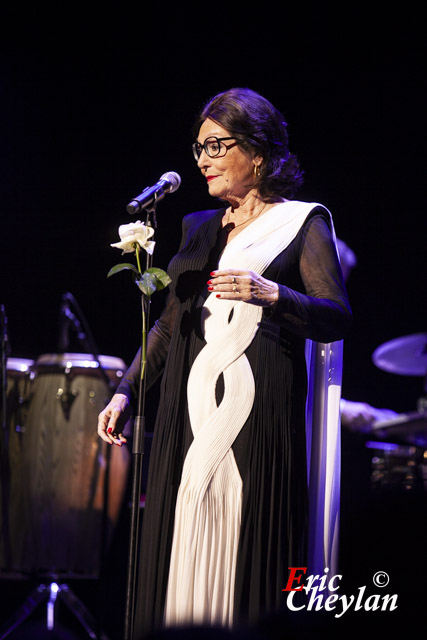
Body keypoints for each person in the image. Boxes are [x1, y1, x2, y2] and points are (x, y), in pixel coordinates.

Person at [97, 88, 352, 635]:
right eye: (198, 148)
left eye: (217, 145)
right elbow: (168, 324)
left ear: (257, 153)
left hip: (258, 412)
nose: (204, 159)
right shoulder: (196, 229)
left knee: (245, 535)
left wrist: (273, 294)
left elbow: (335, 316)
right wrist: (125, 390)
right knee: (183, 528)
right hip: (187, 417)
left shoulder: (303, 223)